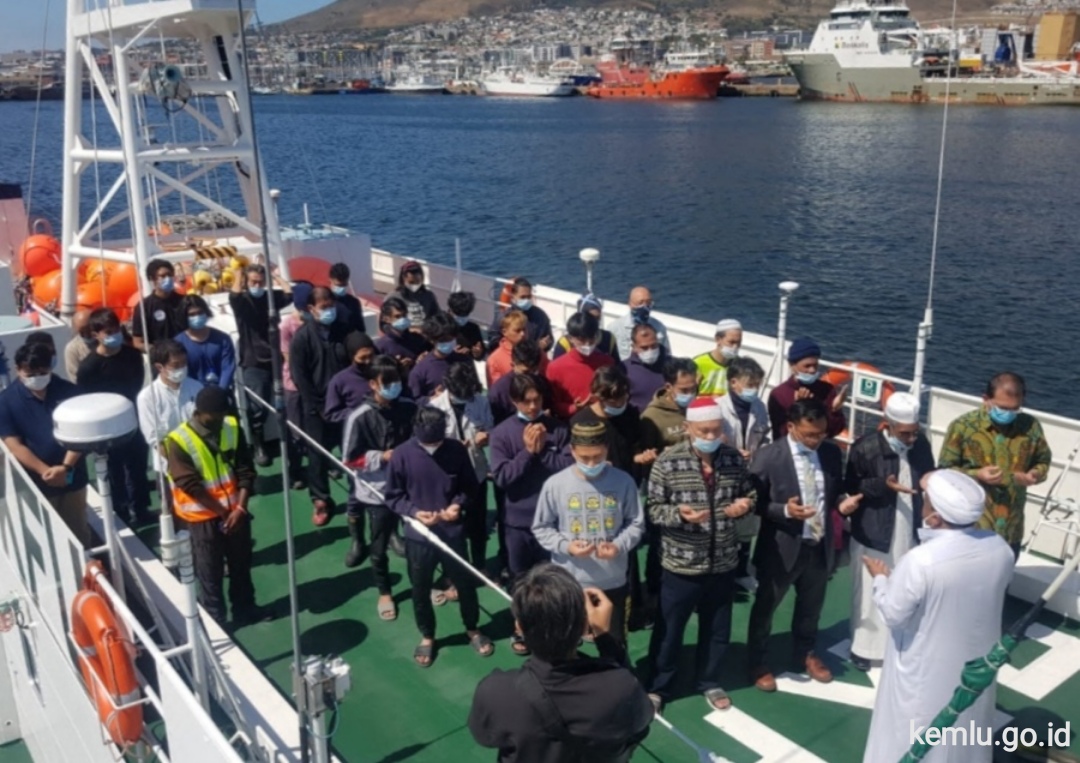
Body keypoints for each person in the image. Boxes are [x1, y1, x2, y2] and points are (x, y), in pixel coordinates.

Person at [861, 470, 1014, 763]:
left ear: (935, 518)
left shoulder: (921, 560)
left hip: (923, 671)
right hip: (976, 667)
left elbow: (893, 614)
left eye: (926, 501)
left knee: (915, 735)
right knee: (966, 727)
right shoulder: (1000, 548)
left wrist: (881, 579)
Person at [468, 565, 653, 762]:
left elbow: (484, 737)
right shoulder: (620, 687)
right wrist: (605, 638)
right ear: (585, 626)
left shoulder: (495, 691)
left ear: (519, 627)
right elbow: (639, 722)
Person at [645, 397, 756, 712]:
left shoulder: (733, 459)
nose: (710, 437)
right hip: (681, 564)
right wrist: (679, 515)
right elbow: (653, 510)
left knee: (717, 629)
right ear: (687, 428)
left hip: (723, 562)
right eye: (703, 431)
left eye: (716, 430)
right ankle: (658, 687)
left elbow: (749, 493)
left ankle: (709, 680)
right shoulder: (668, 462)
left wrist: (745, 505)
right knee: (669, 631)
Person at [746, 399, 862, 692]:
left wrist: (841, 503)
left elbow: (833, 491)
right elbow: (753, 502)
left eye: (821, 434)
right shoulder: (769, 457)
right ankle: (757, 660)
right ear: (791, 427)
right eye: (809, 434)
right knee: (766, 607)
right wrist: (785, 510)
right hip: (781, 548)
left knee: (812, 607)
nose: (816, 440)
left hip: (819, 545)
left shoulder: (830, 453)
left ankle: (805, 652)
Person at [386, 406, 493, 667]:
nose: (434, 446)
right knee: (420, 588)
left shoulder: (456, 450)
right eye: (428, 442)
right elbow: (393, 497)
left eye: (437, 441)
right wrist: (415, 512)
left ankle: (472, 628)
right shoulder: (401, 455)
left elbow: (470, 487)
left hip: (452, 534)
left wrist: (457, 504)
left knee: (465, 584)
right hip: (419, 537)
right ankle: (428, 635)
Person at [164, 386, 270, 626]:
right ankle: (217, 622)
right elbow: (190, 485)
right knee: (209, 572)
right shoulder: (178, 441)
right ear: (200, 413)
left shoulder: (231, 427)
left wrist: (240, 509)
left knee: (241, 565)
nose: (221, 421)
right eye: (216, 416)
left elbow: (245, 469)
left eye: (224, 415)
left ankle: (245, 609)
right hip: (203, 520)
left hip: (235, 513)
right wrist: (224, 512)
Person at [532, 420, 644, 646]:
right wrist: (567, 547)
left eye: (597, 456)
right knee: (565, 644)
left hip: (612, 580)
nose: (591, 464)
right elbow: (541, 527)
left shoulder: (623, 482)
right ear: (572, 451)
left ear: (607, 450)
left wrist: (618, 546)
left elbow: (636, 523)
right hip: (569, 582)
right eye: (584, 458)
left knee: (614, 643)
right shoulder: (555, 485)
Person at [844, 392, 935, 671]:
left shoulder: (920, 444)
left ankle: (898, 643)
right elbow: (851, 486)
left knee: (904, 586)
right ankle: (863, 648)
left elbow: (928, 473)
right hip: (874, 529)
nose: (911, 439)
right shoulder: (865, 447)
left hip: (909, 526)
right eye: (905, 433)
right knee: (869, 591)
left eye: (914, 432)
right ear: (888, 424)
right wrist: (884, 485)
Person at [490, 374, 573, 653]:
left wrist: (543, 451)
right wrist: (527, 453)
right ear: (514, 401)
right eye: (526, 401)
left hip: (553, 521)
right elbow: (502, 478)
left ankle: (554, 628)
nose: (533, 406)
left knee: (554, 579)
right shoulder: (502, 433)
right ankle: (521, 628)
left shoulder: (558, 430)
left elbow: (568, 468)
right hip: (518, 523)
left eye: (537, 400)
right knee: (521, 580)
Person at [938, 371, 1051, 556]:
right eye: (1002, 408)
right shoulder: (963, 427)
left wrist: (1034, 475)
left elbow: (1043, 460)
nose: (1008, 414)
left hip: (1011, 530)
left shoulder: (1031, 427)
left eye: (1015, 409)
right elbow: (944, 472)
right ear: (986, 399)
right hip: (972, 529)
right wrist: (977, 475)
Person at [342, 357, 417, 614]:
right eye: (388, 382)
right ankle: (385, 592)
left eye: (397, 381)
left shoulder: (409, 407)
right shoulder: (359, 417)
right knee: (379, 546)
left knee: (419, 542)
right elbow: (350, 459)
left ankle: (422, 584)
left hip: (410, 487)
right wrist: (381, 457)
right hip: (378, 492)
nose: (394, 386)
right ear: (373, 384)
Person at [0, 343, 90, 545]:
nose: (37, 378)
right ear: (18, 369)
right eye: (30, 374)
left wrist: (66, 467)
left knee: (78, 532)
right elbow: (15, 446)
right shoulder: (5, 402)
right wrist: (46, 472)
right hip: (34, 485)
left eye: (42, 372)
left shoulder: (70, 392)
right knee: (44, 538)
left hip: (72, 479)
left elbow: (80, 433)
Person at [78, 308, 151, 524]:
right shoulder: (89, 367)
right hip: (107, 426)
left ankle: (141, 508)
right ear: (96, 335)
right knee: (114, 470)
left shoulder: (132, 356)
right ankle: (121, 510)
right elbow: (88, 399)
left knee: (138, 465)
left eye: (116, 329)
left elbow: (136, 383)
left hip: (132, 419)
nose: (114, 335)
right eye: (108, 332)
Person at [289, 286, 354, 526]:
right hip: (316, 410)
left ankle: (358, 497)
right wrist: (318, 406)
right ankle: (321, 499)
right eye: (324, 307)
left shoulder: (344, 332)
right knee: (316, 456)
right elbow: (300, 376)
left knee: (353, 453)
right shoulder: (301, 338)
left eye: (332, 305)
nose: (329, 310)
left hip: (345, 406)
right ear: (311, 309)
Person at [429, 362, 494, 569]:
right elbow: (427, 445)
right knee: (450, 525)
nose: (466, 396)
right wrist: (452, 447)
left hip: (476, 472)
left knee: (478, 523)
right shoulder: (434, 408)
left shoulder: (481, 401)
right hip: (447, 476)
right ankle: (455, 570)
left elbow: (490, 427)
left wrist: (485, 437)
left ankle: (479, 565)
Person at [229, 263, 293, 467]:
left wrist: (276, 276)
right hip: (253, 362)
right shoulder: (242, 302)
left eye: (260, 282)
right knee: (257, 408)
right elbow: (234, 296)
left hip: (275, 359)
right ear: (247, 282)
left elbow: (289, 294)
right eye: (253, 282)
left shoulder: (270, 298)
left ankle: (290, 442)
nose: (257, 285)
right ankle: (258, 445)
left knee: (284, 402)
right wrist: (238, 275)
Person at [717, 356, 771, 591]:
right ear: (734, 382)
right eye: (750, 384)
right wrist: (731, 451)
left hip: (750, 473)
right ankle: (721, 571)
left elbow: (765, 437)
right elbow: (709, 441)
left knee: (747, 527)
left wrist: (757, 454)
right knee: (724, 523)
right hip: (723, 474)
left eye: (757, 384)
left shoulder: (759, 407)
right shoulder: (718, 408)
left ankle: (741, 571)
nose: (754, 389)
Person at [137, 340, 204, 473]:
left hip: (200, 461)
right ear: (159, 367)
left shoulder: (197, 388)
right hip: (169, 466)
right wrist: (176, 467)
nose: (182, 368)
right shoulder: (147, 397)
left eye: (184, 363)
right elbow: (155, 439)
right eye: (176, 365)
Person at [766, 337, 847, 441]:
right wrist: (799, 409)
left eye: (815, 365)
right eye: (807, 366)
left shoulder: (827, 390)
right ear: (792, 366)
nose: (812, 370)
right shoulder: (779, 394)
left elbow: (834, 430)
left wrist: (835, 410)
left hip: (820, 446)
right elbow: (781, 433)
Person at [546, 312, 615, 420]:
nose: (587, 344)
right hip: (571, 424)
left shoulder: (607, 362)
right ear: (570, 338)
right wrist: (575, 408)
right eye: (582, 339)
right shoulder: (555, 368)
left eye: (591, 338)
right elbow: (552, 404)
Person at [281, 282, 312, 491]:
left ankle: (320, 463)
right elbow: (288, 357)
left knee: (315, 426)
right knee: (295, 429)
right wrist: (303, 381)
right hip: (294, 385)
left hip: (314, 383)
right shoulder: (286, 326)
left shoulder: (314, 323)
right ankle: (295, 469)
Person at [175, 294, 236, 392]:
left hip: (221, 394)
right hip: (192, 394)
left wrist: (219, 393)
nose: (197, 317)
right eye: (192, 314)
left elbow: (227, 368)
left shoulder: (223, 339)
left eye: (200, 312)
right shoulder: (178, 343)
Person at [640, 357, 698, 454]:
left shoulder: (699, 408)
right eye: (684, 390)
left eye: (693, 389)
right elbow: (646, 453)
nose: (690, 394)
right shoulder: (652, 417)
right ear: (668, 387)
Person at [489, 339, 553, 426]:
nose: (530, 377)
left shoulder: (542, 383)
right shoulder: (499, 392)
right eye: (525, 372)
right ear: (513, 365)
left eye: (534, 371)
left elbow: (550, 408)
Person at [409, 312, 468, 402]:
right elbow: (415, 400)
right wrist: (434, 398)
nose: (450, 342)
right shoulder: (420, 370)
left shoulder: (464, 361)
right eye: (444, 340)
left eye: (452, 338)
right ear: (432, 340)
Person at [131, 258, 185, 351]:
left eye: (170, 275)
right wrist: (158, 352)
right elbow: (137, 342)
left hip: (184, 353)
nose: (168, 279)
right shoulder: (144, 307)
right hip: (161, 357)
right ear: (152, 279)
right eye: (163, 276)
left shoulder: (184, 301)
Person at [324, 332, 376, 424]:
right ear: (352, 357)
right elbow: (332, 414)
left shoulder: (379, 371)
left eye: (371, 356)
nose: (367, 361)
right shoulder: (339, 381)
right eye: (362, 358)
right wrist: (358, 413)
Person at [487, 310, 546, 387]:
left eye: (524, 329)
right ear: (504, 332)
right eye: (517, 331)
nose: (522, 334)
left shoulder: (537, 352)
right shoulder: (494, 360)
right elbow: (497, 390)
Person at [611, 286, 671, 362]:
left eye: (648, 302)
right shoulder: (615, 327)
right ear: (630, 304)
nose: (644, 306)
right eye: (640, 303)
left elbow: (667, 355)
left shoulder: (659, 327)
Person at [374, 296, 430, 375]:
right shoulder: (381, 346)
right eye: (397, 316)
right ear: (386, 319)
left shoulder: (417, 339)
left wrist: (421, 359)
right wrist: (397, 367)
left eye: (404, 315)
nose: (402, 319)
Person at [553, 293, 618, 361]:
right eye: (591, 318)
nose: (595, 322)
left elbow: (616, 364)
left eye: (598, 318)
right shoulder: (565, 343)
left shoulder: (608, 339)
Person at [621, 323, 667, 413]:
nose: (650, 351)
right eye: (644, 348)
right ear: (634, 347)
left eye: (653, 346)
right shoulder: (623, 369)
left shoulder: (671, 365)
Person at [500, 277, 553, 351]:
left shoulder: (541, 316)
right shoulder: (504, 317)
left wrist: (545, 344)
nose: (526, 300)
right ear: (513, 296)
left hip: (536, 355)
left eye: (529, 297)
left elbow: (549, 338)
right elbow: (494, 340)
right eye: (523, 297)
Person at [694, 319, 743, 397]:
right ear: (718, 339)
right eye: (731, 342)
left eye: (738, 343)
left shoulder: (741, 366)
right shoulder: (698, 364)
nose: (735, 347)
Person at [391, 260, 440, 329]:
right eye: (411, 282)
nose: (415, 285)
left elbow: (437, 316)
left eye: (417, 282)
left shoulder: (429, 296)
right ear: (403, 278)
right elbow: (384, 324)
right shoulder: (393, 297)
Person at [328, 261, 367, 333]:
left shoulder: (354, 303)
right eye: (338, 285)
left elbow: (360, 329)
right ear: (330, 280)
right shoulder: (324, 301)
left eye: (344, 285)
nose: (341, 288)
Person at [448, 291, 486, 361]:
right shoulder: (440, 324)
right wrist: (451, 353)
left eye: (465, 314)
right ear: (451, 310)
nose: (462, 318)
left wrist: (478, 353)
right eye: (459, 314)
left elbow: (480, 354)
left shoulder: (473, 329)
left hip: (465, 365)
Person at [64, 309, 95, 382]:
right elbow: (75, 377)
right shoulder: (72, 349)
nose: (86, 333)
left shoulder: (103, 340)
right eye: (82, 330)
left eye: (88, 328)